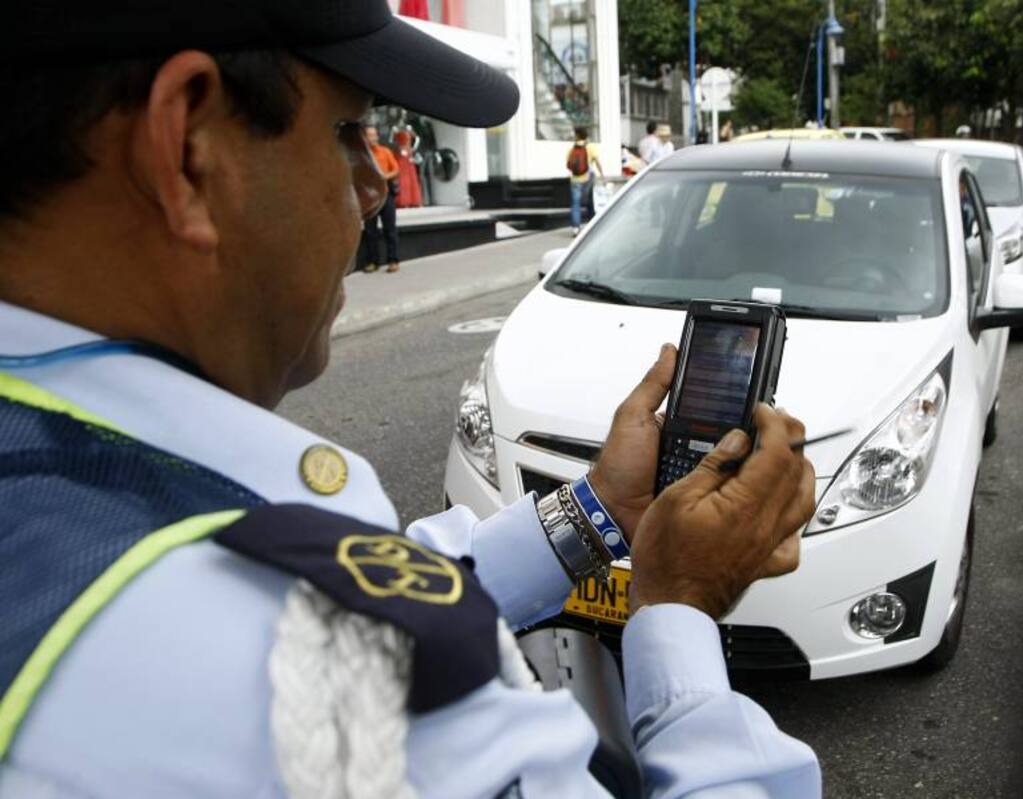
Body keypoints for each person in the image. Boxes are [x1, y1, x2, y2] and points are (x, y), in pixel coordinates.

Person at [0, 2, 823, 797]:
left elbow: (402, 592)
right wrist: (678, 607)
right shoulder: (279, 661)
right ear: (186, 146)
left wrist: (599, 507)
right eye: (348, 131)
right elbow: (338, 630)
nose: (373, 184)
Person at [363, 124, 402, 272]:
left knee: (390, 229)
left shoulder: (385, 152)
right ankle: (373, 262)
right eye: (369, 135)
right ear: (364, 138)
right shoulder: (364, 155)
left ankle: (393, 260)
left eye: (374, 135)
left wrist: (384, 176)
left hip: (386, 195)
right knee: (370, 231)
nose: (372, 138)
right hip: (370, 197)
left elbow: (396, 169)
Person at [567, 125, 603, 235]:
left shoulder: (572, 148)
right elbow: (597, 161)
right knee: (590, 201)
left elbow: (568, 164)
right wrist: (602, 174)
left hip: (575, 179)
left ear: (577, 135)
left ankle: (575, 228)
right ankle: (592, 224)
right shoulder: (590, 147)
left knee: (575, 204)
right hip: (588, 178)